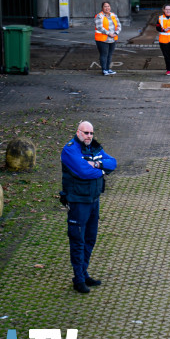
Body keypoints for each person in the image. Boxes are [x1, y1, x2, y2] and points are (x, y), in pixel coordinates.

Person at [60, 121, 117, 294]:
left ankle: (83, 274)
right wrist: (101, 170)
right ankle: (78, 279)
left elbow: (113, 163)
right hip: (78, 201)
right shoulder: (70, 150)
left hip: (93, 200)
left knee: (90, 238)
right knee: (78, 240)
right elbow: (83, 172)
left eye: (91, 133)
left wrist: (97, 165)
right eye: (86, 133)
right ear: (78, 132)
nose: (89, 136)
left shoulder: (94, 147)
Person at [93, 1, 121, 76]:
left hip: (113, 38)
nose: (107, 8)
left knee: (110, 54)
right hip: (102, 39)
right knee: (104, 54)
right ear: (102, 8)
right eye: (105, 6)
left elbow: (119, 25)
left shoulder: (113, 15)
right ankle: (104, 70)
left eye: (108, 6)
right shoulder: (99, 16)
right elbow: (99, 27)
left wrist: (115, 33)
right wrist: (109, 33)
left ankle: (108, 69)